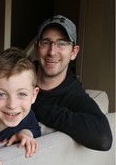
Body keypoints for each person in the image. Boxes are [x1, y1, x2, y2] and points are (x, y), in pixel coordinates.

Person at [32, 15, 112, 151]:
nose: (52, 52)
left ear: (74, 52)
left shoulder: (74, 95)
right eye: (45, 42)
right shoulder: (19, 74)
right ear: (36, 48)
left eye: (62, 43)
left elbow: (102, 139)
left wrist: (40, 108)